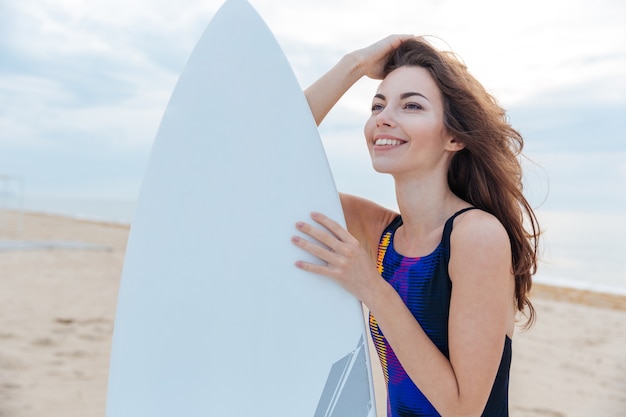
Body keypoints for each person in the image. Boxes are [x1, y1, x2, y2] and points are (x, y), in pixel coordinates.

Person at [291, 35, 540, 417]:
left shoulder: (476, 235)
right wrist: (353, 65)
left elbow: (462, 408)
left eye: (411, 105)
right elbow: (268, 157)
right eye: (378, 105)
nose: (384, 117)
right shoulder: (380, 231)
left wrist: (371, 286)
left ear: (454, 136)